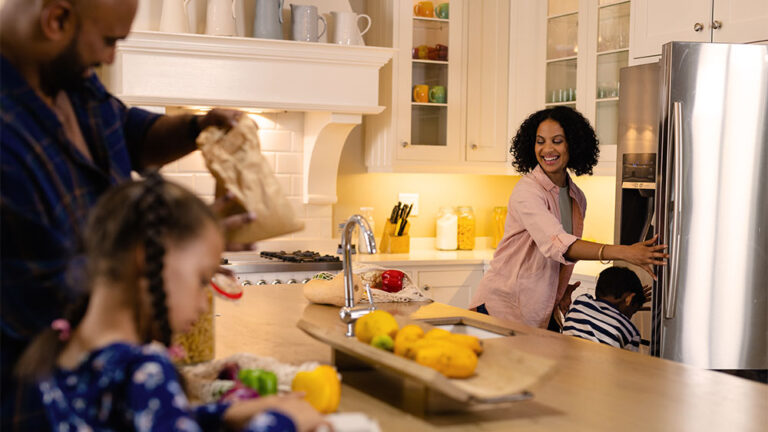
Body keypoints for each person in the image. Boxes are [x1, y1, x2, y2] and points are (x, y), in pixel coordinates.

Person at [0, 0, 252, 427]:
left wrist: (197, 127)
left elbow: (130, 132)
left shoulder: (68, 80)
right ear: (56, 19)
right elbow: (46, 295)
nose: (111, 57)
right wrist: (176, 248)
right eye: (109, 40)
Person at [14, 173, 326, 431]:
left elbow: (151, 419)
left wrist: (225, 414)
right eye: (202, 279)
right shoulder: (144, 370)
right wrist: (284, 422)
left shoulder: (63, 352)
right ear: (146, 258)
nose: (204, 304)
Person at [469, 106, 667, 330]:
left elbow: (556, 257)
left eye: (557, 141)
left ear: (573, 144)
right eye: (540, 141)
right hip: (502, 309)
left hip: (541, 311)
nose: (547, 149)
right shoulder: (527, 191)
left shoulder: (576, 197)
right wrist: (624, 252)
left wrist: (560, 290)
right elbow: (559, 244)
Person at [562, 266, 649, 352]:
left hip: (564, 359)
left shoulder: (581, 302)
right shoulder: (631, 332)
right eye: (633, 311)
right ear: (629, 298)